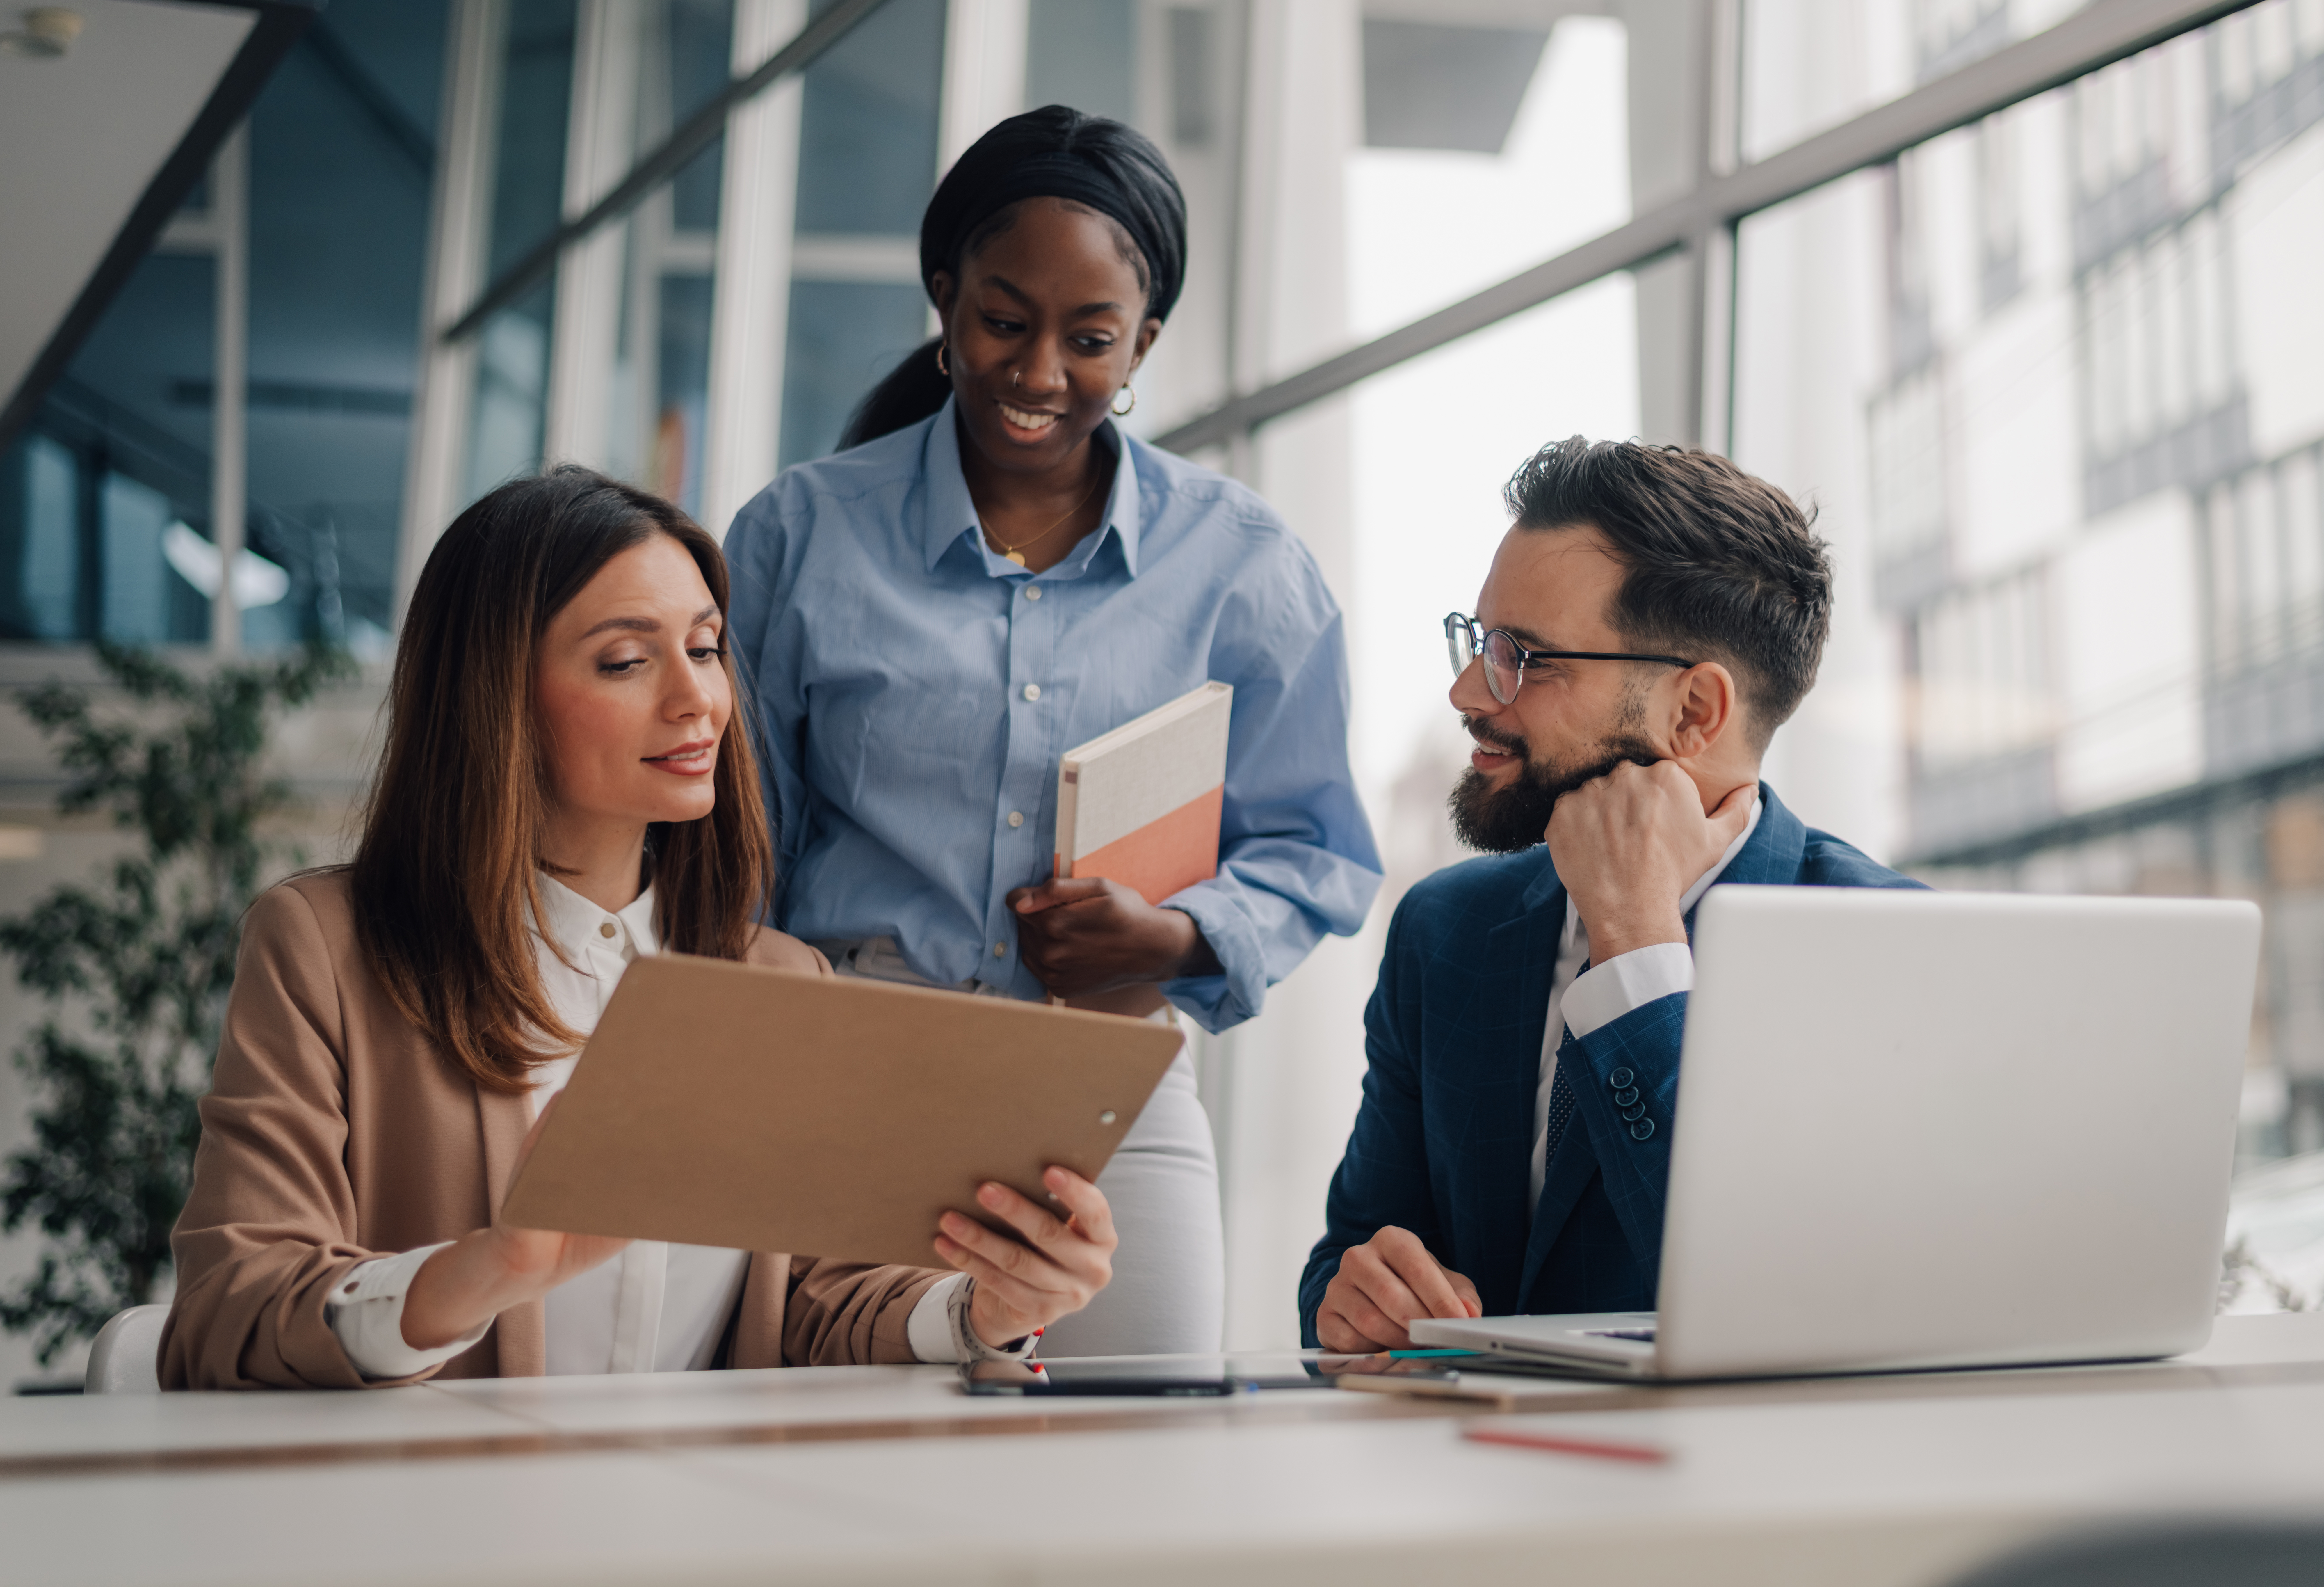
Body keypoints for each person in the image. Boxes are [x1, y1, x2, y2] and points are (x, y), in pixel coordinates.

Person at [161, 467, 1116, 1389]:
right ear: (496, 697)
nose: (696, 698)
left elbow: (814, 1304)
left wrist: (983, 1308)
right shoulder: (324, 948)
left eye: (704, 648)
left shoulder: (780, 979)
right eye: (626, 660)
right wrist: (491, 1269)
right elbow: (225, 1312)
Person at [727, 107, 1381, 1356]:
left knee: (1137, 1470)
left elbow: (1318, 848)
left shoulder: (1244, 564)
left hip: (1104, 1085)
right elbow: (735, 835)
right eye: (1003, 319)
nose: (1038, 373)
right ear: (944, 297)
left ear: (1144, 341)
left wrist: (1180, 932)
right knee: (838, 1475)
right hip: (850, 1059)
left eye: (1089, 339)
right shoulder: (800, 534)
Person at [1300, 439, 1923, 1350]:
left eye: (1527, 657)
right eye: (1481, 642)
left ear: (1694, 715)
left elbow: (1788, 1312)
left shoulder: (1884, 950)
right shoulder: (1445, 931)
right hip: (1462, 1478)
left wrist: (1634, 941)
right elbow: (1349, 1259)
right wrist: (1347, 1298)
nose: (1469, 690)